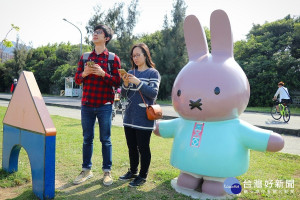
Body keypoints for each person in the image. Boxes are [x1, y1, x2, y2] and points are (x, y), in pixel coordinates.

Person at [74, 24, 121, 186]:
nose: (95, 34)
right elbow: (77, 79)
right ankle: (86, 170)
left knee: (105, 139)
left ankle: (107, 172)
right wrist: (84, 73)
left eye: (99, 33)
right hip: (87, 104)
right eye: (94, 32)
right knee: (87, 138)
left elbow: (117, 81)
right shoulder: (86, 57)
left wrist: (103, 74)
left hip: (105, 105)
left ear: (106, 38)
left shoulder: (113, 58)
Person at [119, 43, 161, 187]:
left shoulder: (153, 73)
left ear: (145, 55)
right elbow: (124, 95)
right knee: (131, 147)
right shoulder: (131, 72)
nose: (135, 58)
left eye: (138, 55)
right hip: (129, 116)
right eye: (133, 55)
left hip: (144, 117)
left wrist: (137, 82)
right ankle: (133, 171)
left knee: (143, 147)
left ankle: (143, 175)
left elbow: (153, 93)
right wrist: (125, 83)